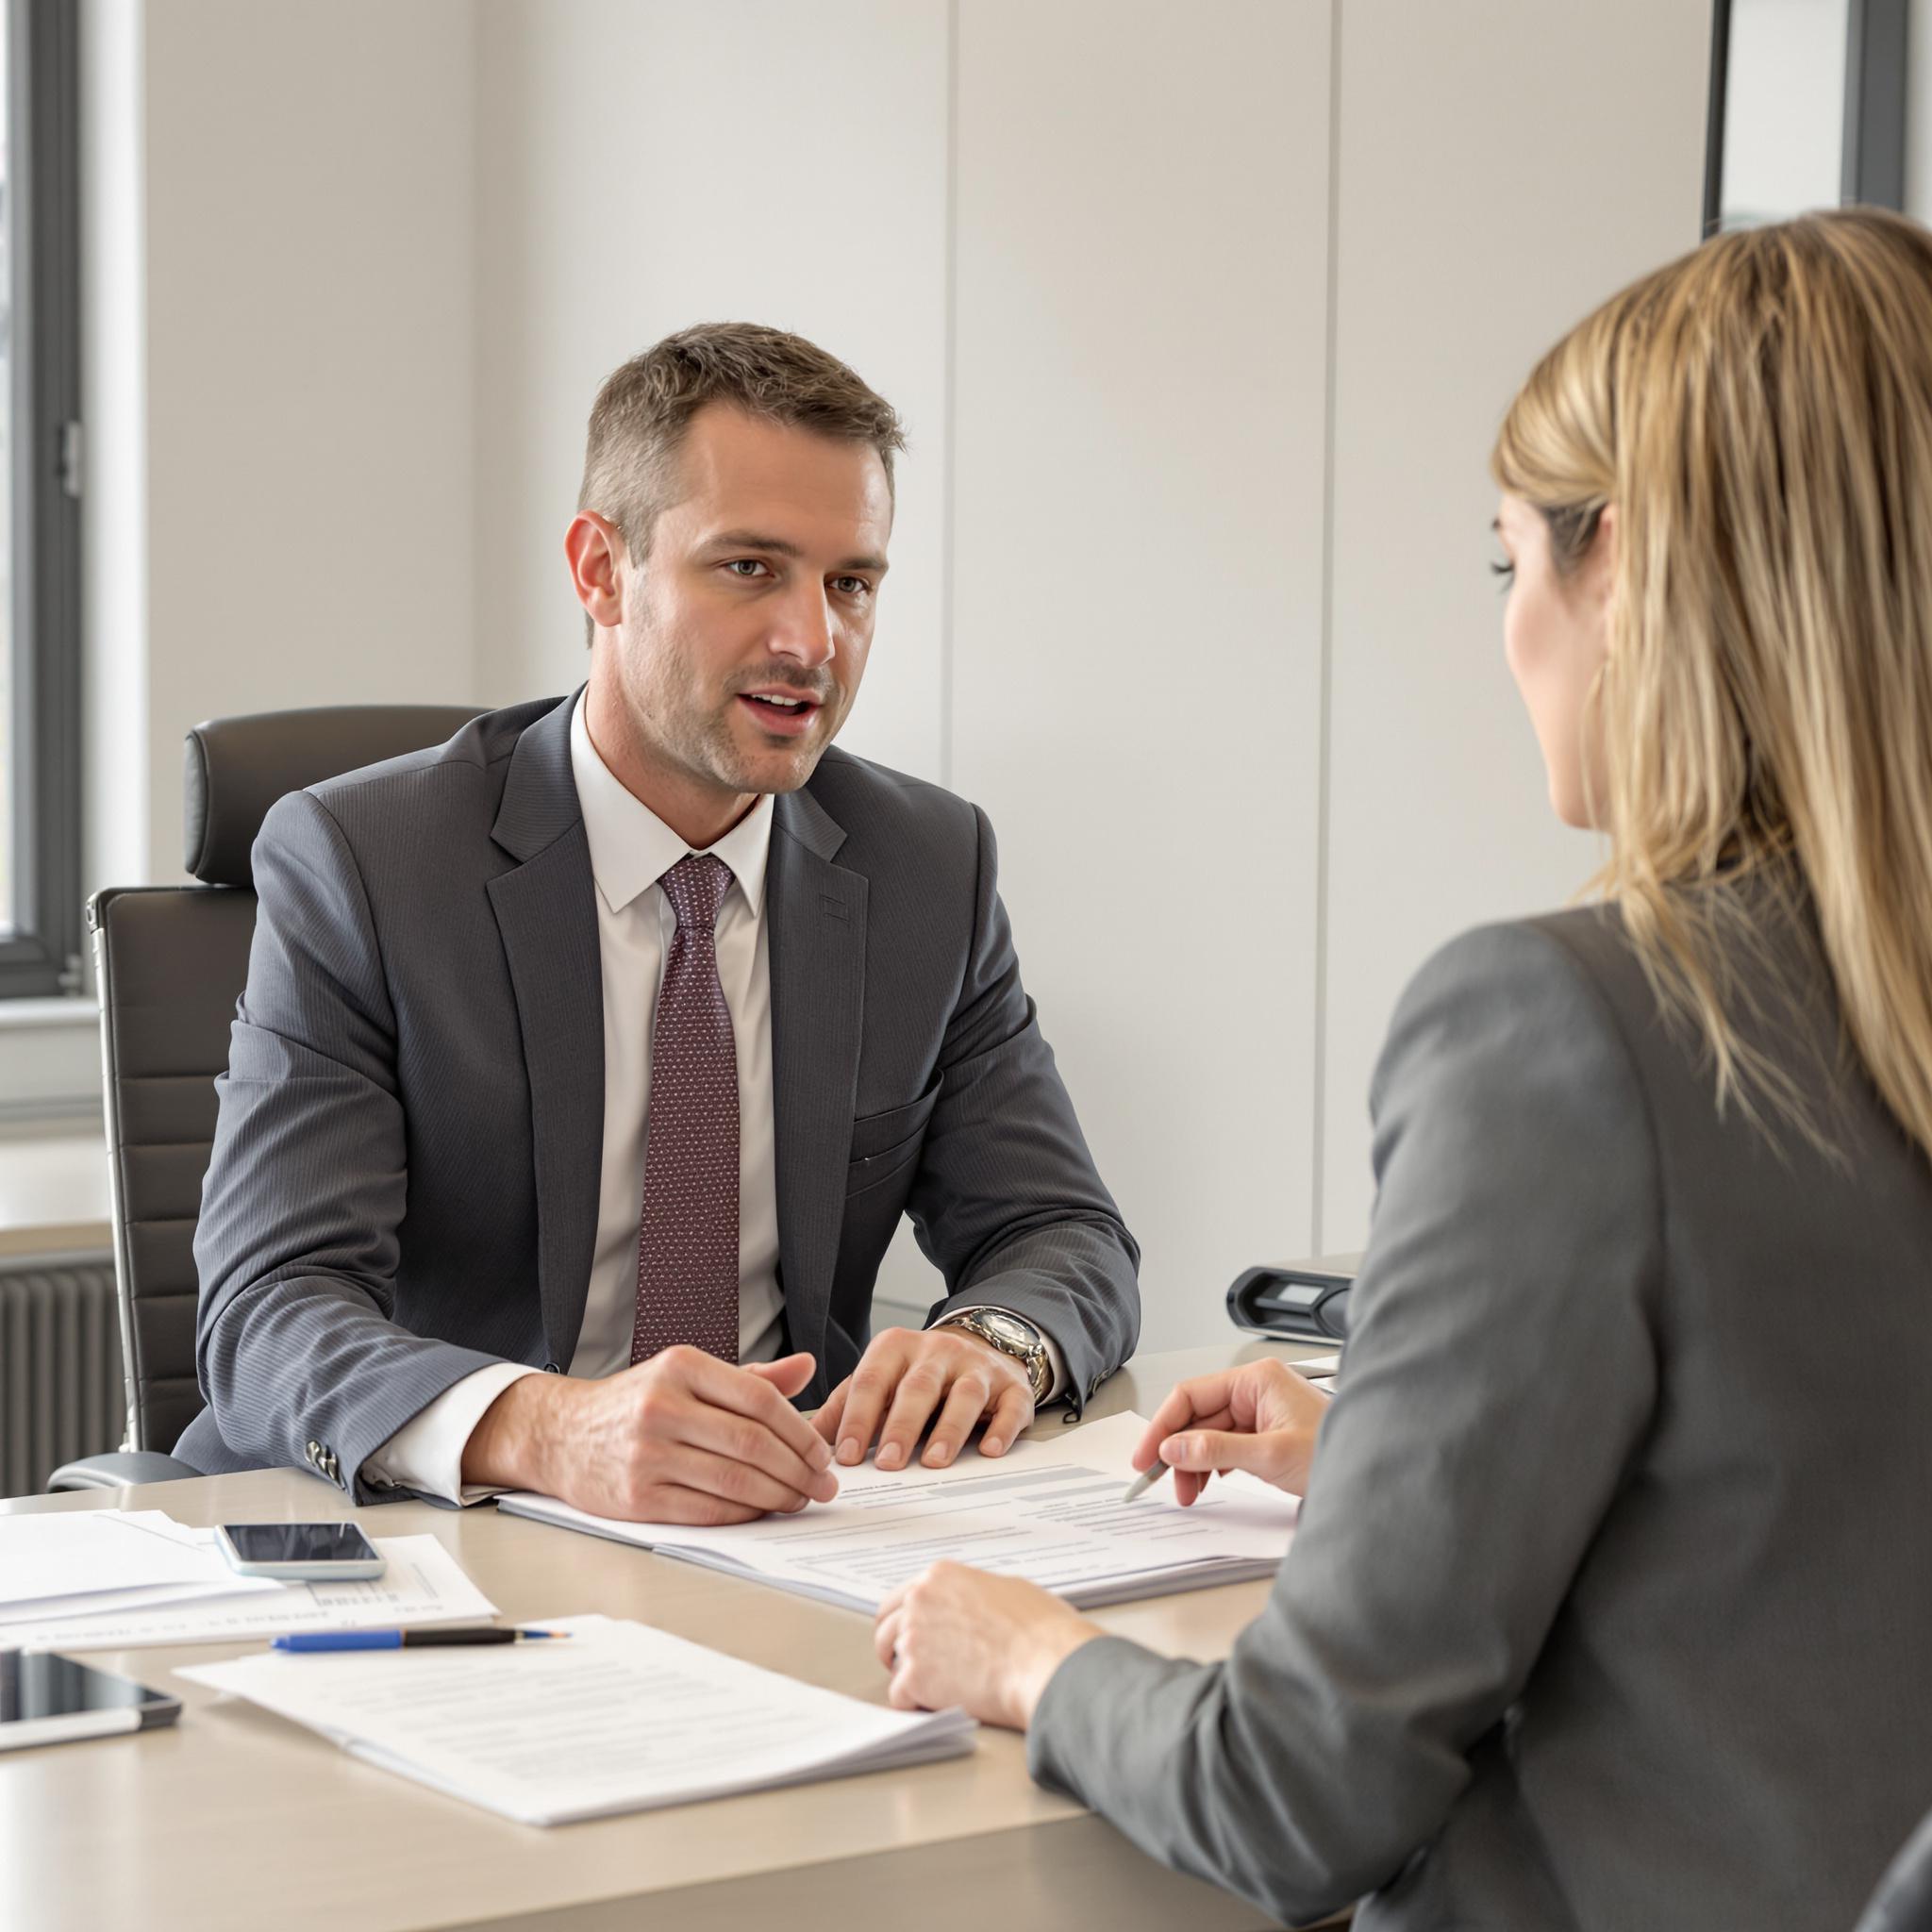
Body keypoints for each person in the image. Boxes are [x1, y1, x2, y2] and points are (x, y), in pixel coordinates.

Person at [871, 208, 1932, 1929]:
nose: (1509, 623)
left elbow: (1295, 1794)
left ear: (1631, 572)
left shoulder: (1565, 1026)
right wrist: (1391, 1449)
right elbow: (1815, 1494)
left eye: (1506, 560)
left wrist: (1035, 1659)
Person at [181, 323, 1139, 1522]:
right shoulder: (365, 862)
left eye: (850, 582)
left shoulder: (926, 867)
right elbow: (270, 1310)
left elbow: (1061, 1230)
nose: (812, 641)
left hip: (769, 1537)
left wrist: (996, 1340)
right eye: (749, 567)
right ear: (599, 569)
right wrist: (545, 1425)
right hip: (423, 1533)